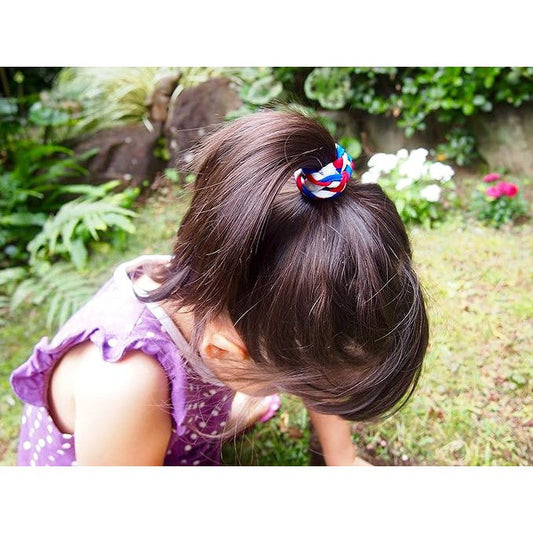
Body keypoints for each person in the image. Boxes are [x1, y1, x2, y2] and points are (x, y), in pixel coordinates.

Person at [10, 110, 429, 466]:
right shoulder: (125, 383)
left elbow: (322, 352)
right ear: (223, 351)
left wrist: (342, 459)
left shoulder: (231, 284)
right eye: (294, 386)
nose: (301, 395)